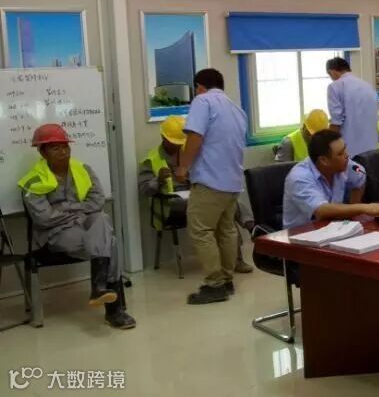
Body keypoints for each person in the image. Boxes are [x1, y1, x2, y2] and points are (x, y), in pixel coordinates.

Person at [18, 124, 137, 329]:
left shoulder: (83, 170)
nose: (63, 152)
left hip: (86, 223)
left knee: (101, 218)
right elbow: (44, 218)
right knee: (111, 243)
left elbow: (97, 201)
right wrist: (77, 211)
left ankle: (100, 289)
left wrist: (64, 208)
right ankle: (113, 309)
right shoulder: (33, 181)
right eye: (55, 148)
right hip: (57, 233)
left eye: (65, 146)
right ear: (42, 152)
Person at [142, 117, 254, 273]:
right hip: (170, 205)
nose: (177, 146)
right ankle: (247, 236)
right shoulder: (151, 159)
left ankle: (249, 231)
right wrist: (158, 180)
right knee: (218, 206)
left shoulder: (188, 152)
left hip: (196, 195)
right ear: (163, 138)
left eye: (180, 142)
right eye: (174, 142)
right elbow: (144, 190)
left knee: (225, 201)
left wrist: (193, 177)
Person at [175, 68, 248, 305]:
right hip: (232, 182)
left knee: (200, 230)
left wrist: (183, 167)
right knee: (226, 230)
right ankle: (227, 279)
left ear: (199, 86)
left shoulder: (202, 101)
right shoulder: (236, 109)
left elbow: (195, 137)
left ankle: (215, 284)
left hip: (210, 181)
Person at [282, 130, 379, 229]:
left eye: (345, 149)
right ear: (323, 160)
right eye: (340, 153)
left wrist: (353, 212)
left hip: (334, 229)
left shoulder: (344, 164)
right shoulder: (299, 177)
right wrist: (364, 208)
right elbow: (321, 210)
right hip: (301, 235)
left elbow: (359, 175)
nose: (347, 156)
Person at [326, 57, 379, 157]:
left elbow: (336, 123)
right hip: (372, 150)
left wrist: (326, 146)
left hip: (349, 152)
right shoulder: (368, 86)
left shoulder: (335, 87)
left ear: (331, 72)